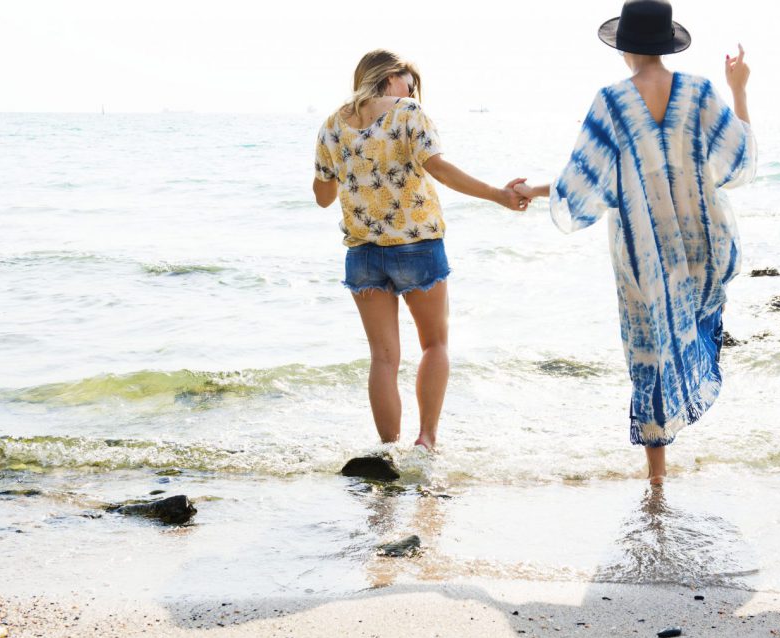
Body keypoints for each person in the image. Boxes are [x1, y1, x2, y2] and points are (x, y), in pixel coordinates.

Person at [514, 0, 756, 484]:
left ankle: (657, 478)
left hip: (643, 252)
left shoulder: (612, 102)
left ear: (624, 46)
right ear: (666, 44)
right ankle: (675, 459)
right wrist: (738, 89)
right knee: (691, 331)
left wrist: (530, 190)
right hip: (700, 243)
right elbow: (740, 158)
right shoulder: (702, 92)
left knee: (649, 351)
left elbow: (582, 180)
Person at [313, 49, 529, 451]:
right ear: (390, 77)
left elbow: (323, 196)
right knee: (434, 345)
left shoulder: (331, 124)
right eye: (409, 83)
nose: (412, 91)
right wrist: (499, 195)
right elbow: (440, 169)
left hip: (362, 253)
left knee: (383, 358)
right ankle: (426, 440)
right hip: (417, 247)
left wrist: (350, 165)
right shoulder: (408, 111)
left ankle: (388, 451)